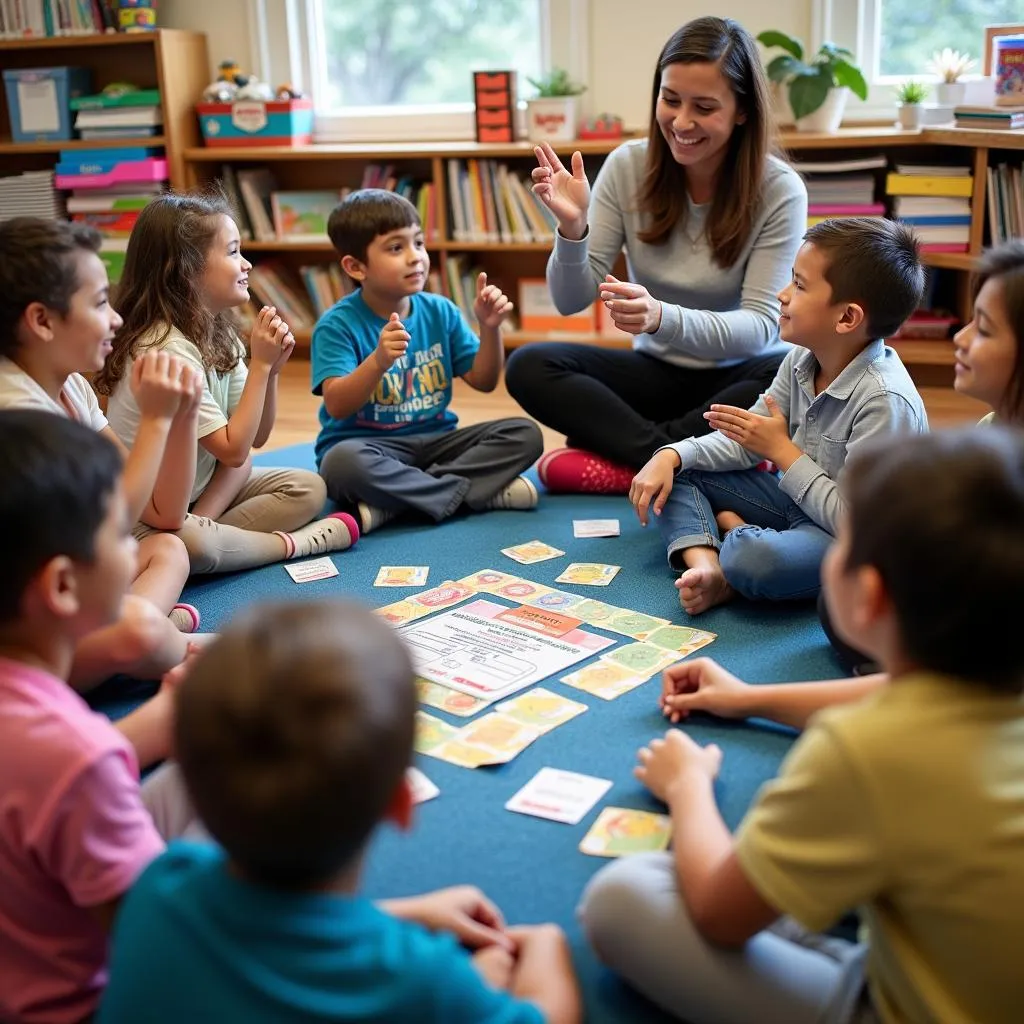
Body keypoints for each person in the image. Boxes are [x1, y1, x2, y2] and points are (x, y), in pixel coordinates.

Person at [580, 427, 1024, 1024]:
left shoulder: (862, 750)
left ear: (869, 597)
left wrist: (688, 787)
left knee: (621, 898)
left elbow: (717, 912)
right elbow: (891, 694)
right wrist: (749, 698)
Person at [98, 600, 581, 1024]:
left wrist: (406, 914)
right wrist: (544, 944)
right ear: (401, 803)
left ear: (189, 790)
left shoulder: (160, 884)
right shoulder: (421, 979)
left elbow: (273, 936)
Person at [504, 16, 807, 494]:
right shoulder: (628, 165)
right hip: (656, 373)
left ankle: (634, 456)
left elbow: (762, 328)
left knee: (791, 375)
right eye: (670, 100)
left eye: (704, 107)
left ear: (743, 111)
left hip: (742, 373)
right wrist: (572, 229)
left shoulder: (779, 189)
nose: (682, 122)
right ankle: (685, 458)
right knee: (527, 364)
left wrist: (661, 317)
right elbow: (568, 301)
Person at [0, 410, 198, 1024]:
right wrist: (382, 929)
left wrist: (167, 715)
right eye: (119, 534)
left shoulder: (54, 738)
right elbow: (168, 949)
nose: (134, 549)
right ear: (62, 587)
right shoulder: (78, 755)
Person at [629, 218, 927, 615]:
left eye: (800, 285)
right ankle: (710, 568)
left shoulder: (885, 401)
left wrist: (782, 453)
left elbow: (859, 526)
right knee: (680, 473)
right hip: (792, 502)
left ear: (846, 318)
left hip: (854, 541)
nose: (782, 295)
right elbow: (744, 442)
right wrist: (672, 454)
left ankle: (732, 535)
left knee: (756, 559)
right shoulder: (801, 360)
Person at [94, 192, 359, 574]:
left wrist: (271, 371)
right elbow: (233, 449)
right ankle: (283, 546)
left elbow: (257, 438)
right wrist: (262, 368)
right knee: (194, 542)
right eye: (233, 252)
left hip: (199, 497)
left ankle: (213, 540)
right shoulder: (164, 347)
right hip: (149, 511)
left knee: (308, 489)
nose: (246, 264)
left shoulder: (217, 331)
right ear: (186, 269)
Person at [0, 217, 198, 690]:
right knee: (138, 628)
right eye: (100, 303)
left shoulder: (69, 383)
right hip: (24, 643)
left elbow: (158, 513)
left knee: (168, 548)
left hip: (64, 598)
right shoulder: (17, 414)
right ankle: (162, 642)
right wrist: (155, 421)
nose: (117, 319)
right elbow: (114, 518)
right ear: (42, 321)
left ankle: (143, 643)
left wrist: (183, 417)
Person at [820, 237, 1024, 673]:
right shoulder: (992, 433)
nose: (961, 336)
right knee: (846, 598)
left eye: (984, 329)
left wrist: (748, 700)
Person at [312, 188, 543, 534]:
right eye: (396, 248)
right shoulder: (336, 325)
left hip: (438, 444)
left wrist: (490, 328)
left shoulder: (441, 311)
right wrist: (377, 362)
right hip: (369, 446)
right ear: (356, 267)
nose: (415, 257)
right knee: (342, 466)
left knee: (525, 434)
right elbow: (337, 405)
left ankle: (402, 501)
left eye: (418, 243)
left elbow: (483, 380)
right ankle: (472, 493)